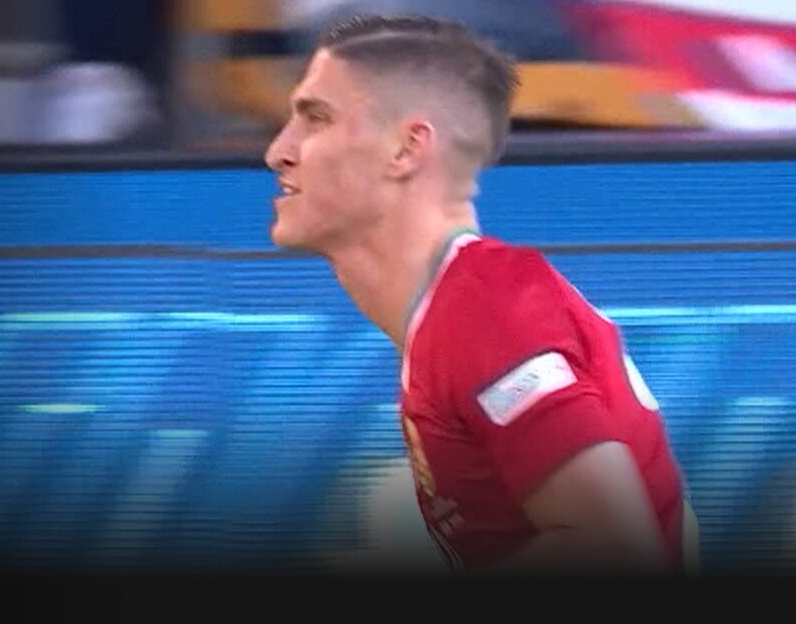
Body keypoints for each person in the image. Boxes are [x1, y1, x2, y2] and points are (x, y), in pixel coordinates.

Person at [263, 14, 700, 574]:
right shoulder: (456, 314)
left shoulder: (484, 309)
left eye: (316, 118)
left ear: (405, 149)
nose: (278, 152)